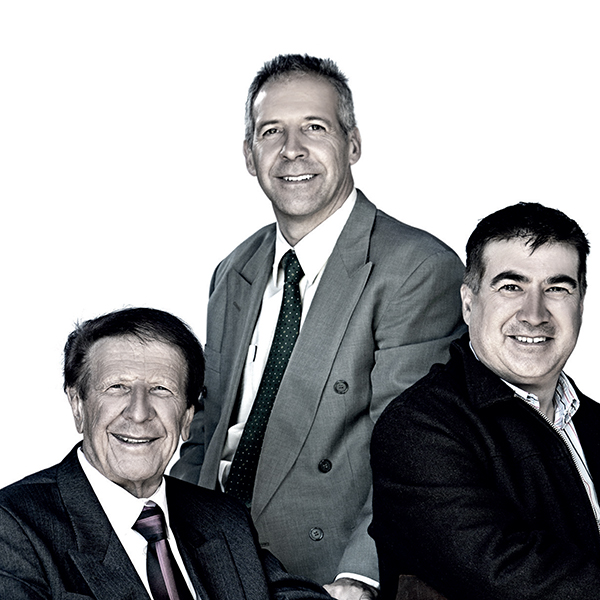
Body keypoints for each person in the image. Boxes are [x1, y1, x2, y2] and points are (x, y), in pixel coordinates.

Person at [171, 54, 465, 599]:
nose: (292, 150)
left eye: (314, 127)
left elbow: (415, 452)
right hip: (208, 555)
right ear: (248, 154)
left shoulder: (416, 268)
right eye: (271, 132)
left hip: (321, 572)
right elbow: (206, 427)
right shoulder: (233, 270)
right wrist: (171, 531)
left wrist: (359, 577)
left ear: (353, 143)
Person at [0, 307, 330, 600]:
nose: (139, 413)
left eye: (161, 389)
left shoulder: (224, 519)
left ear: (186, 418)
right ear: (78, 406)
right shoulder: (13, 526)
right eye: (118, 387)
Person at [370, 202, 600, 600]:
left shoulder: (593, 422)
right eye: (511, 287)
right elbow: (508, 576)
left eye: (557, 288)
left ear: (580, 302)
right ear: (468, 302)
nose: (534, 314)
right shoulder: (419, 428)